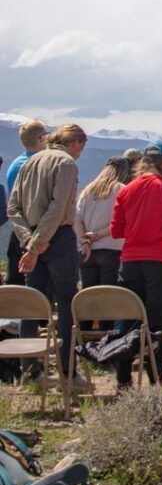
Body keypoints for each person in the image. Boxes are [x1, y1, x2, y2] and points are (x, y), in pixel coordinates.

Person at [7, 124, 87, 383]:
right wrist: (36, 243)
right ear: (74, 142)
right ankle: (67, 370)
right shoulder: (66, 163)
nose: (80, 153)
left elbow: (13, 208)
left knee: (33, 304)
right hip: (58, 238)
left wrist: (29, 240)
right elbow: (58, 206)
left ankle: (29, 370)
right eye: (81, 148)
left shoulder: (30, 161)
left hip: (31, 235)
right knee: (66, 303)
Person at [110, 141, 162, 388]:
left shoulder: (126, 190)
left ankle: (123, 377)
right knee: (155, 322)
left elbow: (116, 230)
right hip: (160, 260)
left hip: (130, 260)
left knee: (130, 316)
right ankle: (155, 377)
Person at [76, 156, 133, 289]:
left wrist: (84, 241)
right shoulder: (123, 190)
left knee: (88, 294)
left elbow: (77, 219)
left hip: (87, 251)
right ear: (124, 172)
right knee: (108, 296)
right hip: (112, 248)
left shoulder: (87, 190)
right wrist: (98, 235)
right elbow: (122, 221)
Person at [5, 120, 48, 286]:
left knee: (16, 279)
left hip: (18, 228)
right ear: (41, 138)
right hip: (33, 229)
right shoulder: (37, 164)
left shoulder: (16, 163)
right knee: (37, 282)